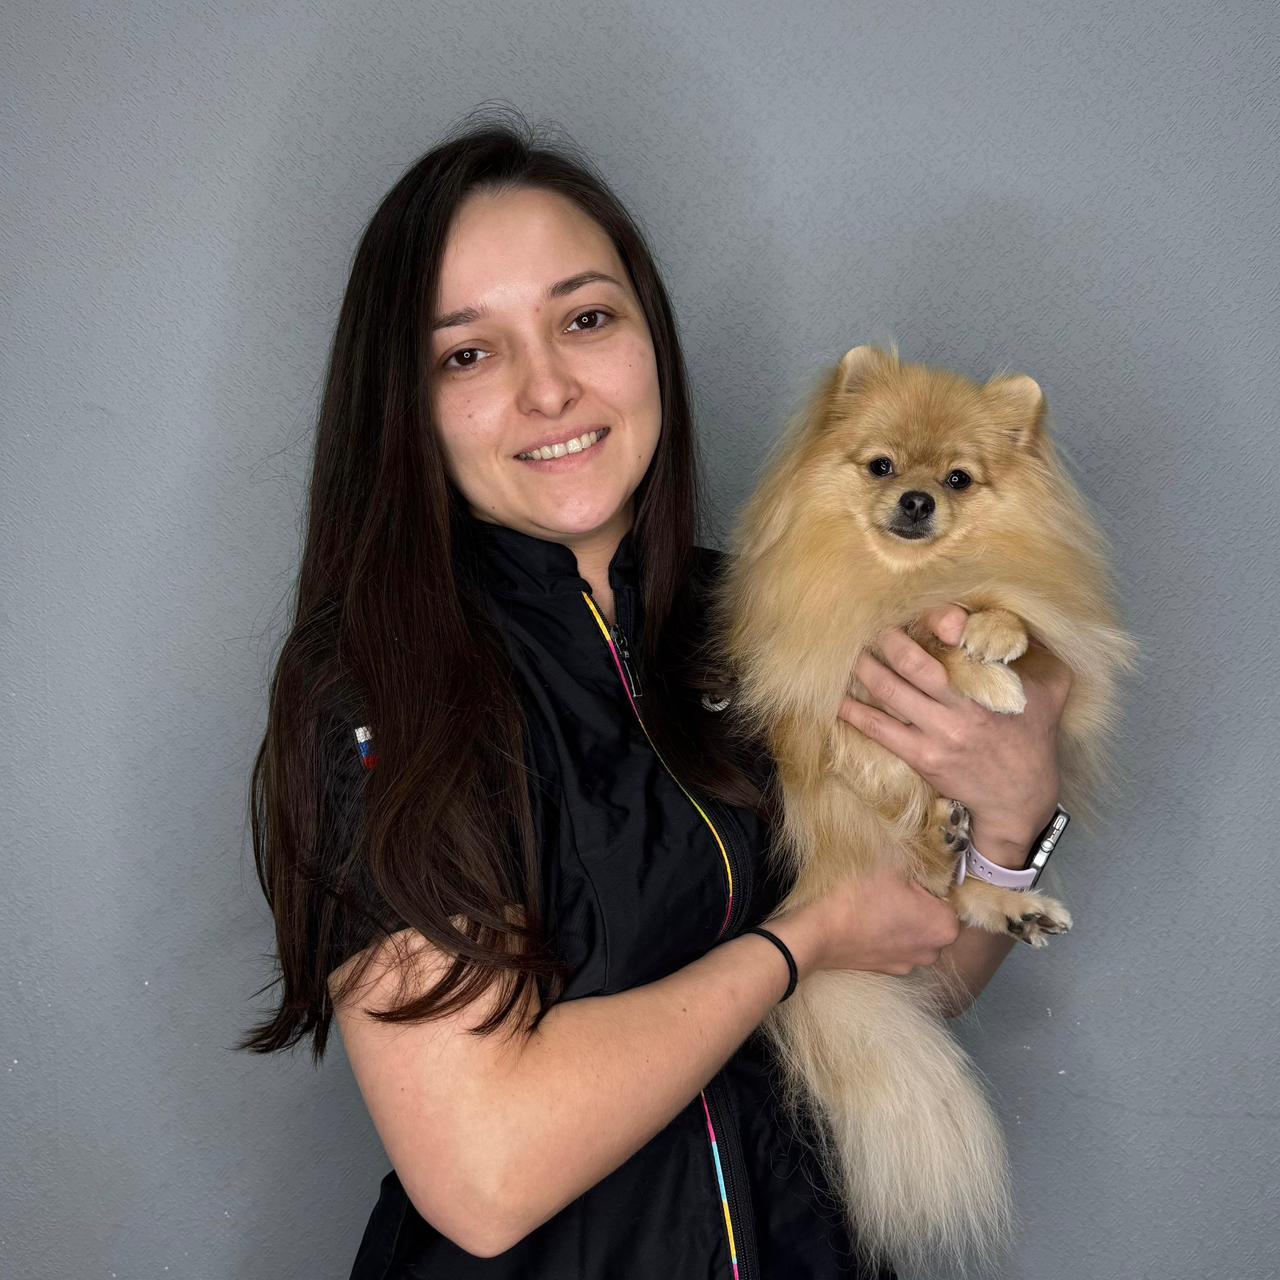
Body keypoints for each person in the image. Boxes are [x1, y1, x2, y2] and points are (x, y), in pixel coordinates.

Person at [239, 109, 1073, 1279]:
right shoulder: (377, 685)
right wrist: (797, 940)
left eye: (585, 318)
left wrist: (1009, 824)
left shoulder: (771, 628)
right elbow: (483, 1174)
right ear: (405, 403)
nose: (548, 388)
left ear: (651, 339)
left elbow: (902, 991)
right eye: (467, 353)